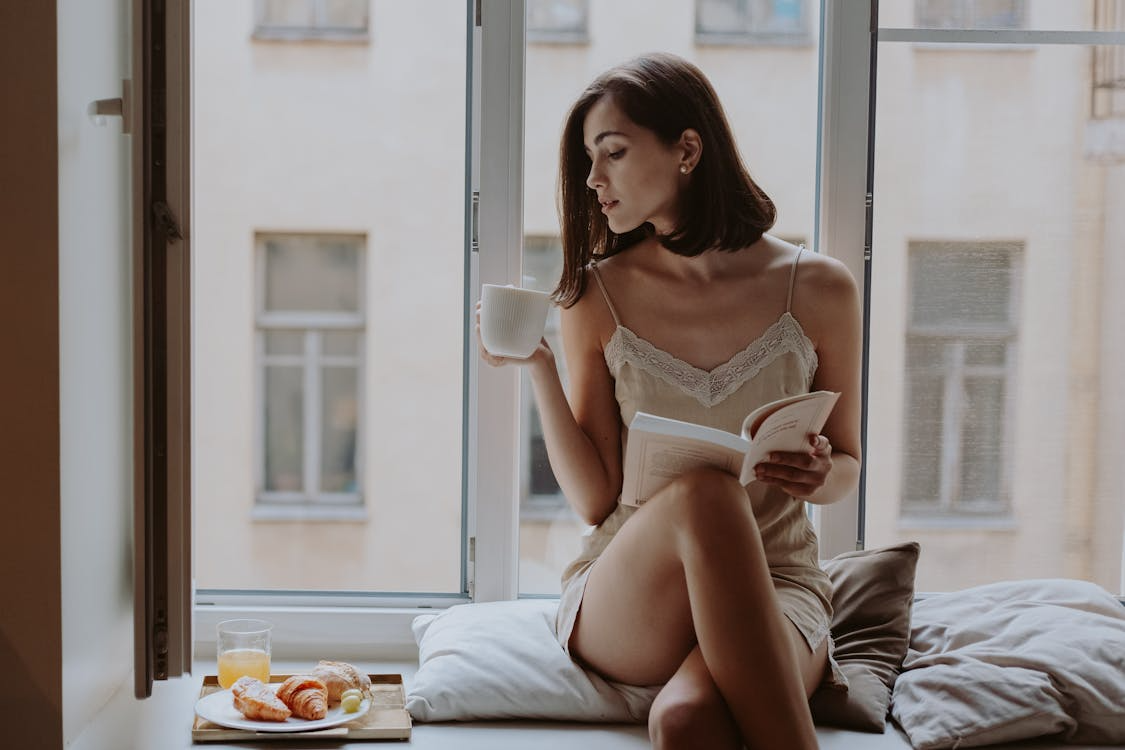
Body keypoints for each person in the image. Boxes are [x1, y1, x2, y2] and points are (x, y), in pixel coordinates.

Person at [477, 52, 862, 750]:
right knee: (706, 495)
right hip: (634, 590)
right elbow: (596, 502)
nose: (593, 179)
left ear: (686, 148)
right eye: (588, 160)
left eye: (613, 153)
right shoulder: (598, 294)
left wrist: (819, 472)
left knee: (686, 722)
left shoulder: (821, 288)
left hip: (775, 581)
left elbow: (847, 467)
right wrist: (539, 369)